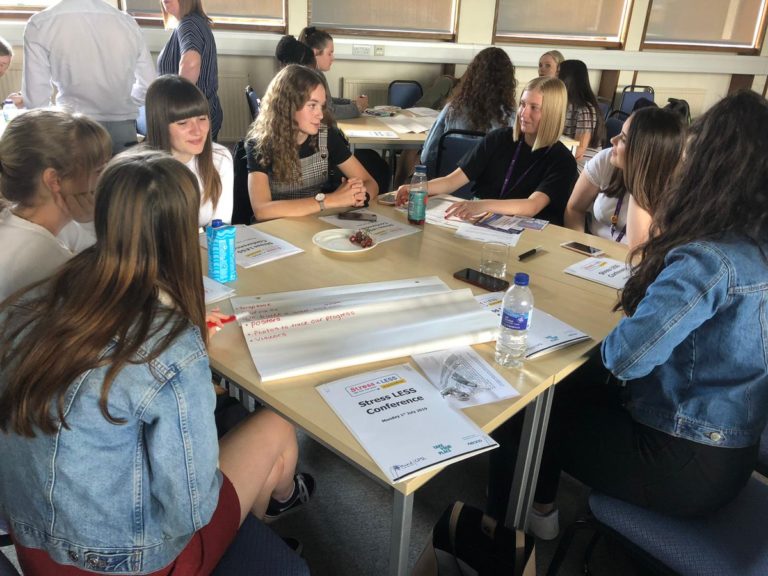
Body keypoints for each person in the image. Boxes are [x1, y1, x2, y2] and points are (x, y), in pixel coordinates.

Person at [0, 150, 313, 574]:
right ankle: (262, 523)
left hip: (32, 545)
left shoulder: (33, 300)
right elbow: (192, 507)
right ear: (182, 229)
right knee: (277, 427)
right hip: (131, 561)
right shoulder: (169, 348)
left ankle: (262, 525)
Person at [490, 90, 768, 540]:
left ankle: (500, 539)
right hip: (733, 450)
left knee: (527, 407)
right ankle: (539, 510)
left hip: (682, 461)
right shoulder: (755, 246)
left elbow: (626, 359)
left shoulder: (709, 259)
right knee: (568, 393)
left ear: (712, 166)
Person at [396, 76, 577, 226]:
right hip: (484, 225)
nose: (523, 113)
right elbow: (452, 181)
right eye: (522, 104)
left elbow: (531, 206)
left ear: (552, 113)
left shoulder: (562, 160)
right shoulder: (499, 139)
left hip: (527, 234)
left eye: (534, 108)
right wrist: (417, 188)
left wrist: (482, 206)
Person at [0, 109, 111, 301]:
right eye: (98, 170)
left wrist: (89, 222)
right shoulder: (51, 264)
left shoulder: (14, 220)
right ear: (54, 181)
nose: (105, 178)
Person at [20, 0, 156, 154]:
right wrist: (122, 102)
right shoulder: (127, 23)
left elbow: (36, 100)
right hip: (123, 128)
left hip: (73, 129)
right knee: (123, 178)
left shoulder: (41, 23)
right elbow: (149, 85)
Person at [246, 64, 378, 221]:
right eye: (312, 105)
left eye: (321, 106)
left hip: (314, 225)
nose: (320, 115)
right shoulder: (260, 144)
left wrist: (360, 195)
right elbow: (262, 210)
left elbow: (370, 183)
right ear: (287, 106)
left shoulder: (326, 136)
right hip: (277, 231)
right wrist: (332, 200)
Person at [564, 107, 684, 248]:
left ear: (644, 153)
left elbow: (642, 249)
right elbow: (574, 209)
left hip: (635, 262)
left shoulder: (676, 189)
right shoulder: (606, 159)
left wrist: (637, 182)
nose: (613, 139)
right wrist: (580, 247)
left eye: (624, 139)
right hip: (592, 255)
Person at [144, 74, 233, 227]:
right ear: (160, 125)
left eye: (202, 119)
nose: (197, 131)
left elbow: (220, 228)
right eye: (183, 123)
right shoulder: (139, 170)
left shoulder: (220, 158)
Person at [419, 46, 517, 178]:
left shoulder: (452, 109)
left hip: (447, 185)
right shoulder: (512, 116)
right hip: (490, 190)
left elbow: (427, 156)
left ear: (472, 76)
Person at [158, 0, 222, 141]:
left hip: (191, 120)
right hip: (199, 116)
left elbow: (191, 63)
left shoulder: (189, 23)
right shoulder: (194, 22)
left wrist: (178, 107)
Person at [298, 26, 366, 119]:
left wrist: (351, 102)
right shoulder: (313, 77)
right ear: (315, 52)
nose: (333, 58)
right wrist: (358, 107)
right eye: (330, 53)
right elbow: (330, 111)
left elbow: (328, 101)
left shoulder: (308, 71)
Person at [558, 59, 605, 167]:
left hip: (585, 165)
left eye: (558, 73)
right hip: (567, 157)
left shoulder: (584, 109)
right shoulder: (565, 104)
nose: (555, 77)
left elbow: (579, 151)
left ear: (568, 78)